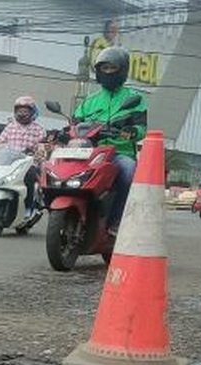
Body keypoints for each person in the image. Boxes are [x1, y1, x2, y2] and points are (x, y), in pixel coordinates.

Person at [72, 46, 146, 235]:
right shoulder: (90, 100)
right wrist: (66, 132)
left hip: (119, 153)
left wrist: (131, 131)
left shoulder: (134, 98)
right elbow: (75, 123)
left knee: (128, 172)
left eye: (112, 68)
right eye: (104, 68)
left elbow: (141, 128)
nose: (108, 72)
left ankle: (116, 221)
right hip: (89, 152)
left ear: (122, 70)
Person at [0, 96, 47, 219]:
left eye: (25, 111)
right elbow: (0, 142)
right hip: (9, 162)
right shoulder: (10, 127)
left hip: (28, 163)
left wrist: (39, 153)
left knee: (30, 176)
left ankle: (28, 207)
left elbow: (42, 146)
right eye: (19, 110)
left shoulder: (39, 130)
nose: (22, 113)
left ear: (32, 112)